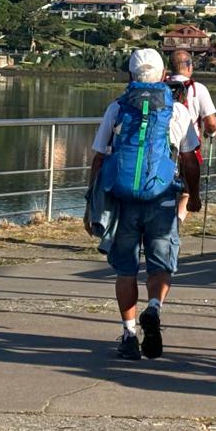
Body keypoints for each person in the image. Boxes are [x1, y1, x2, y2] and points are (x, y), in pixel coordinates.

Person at [89, 49, 201, 360]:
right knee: (161, 263)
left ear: (130, 75)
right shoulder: (176, 111)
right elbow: (190, 159)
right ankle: (153, 308)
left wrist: (92, 201)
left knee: (125, 270)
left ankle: (128, 334)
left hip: (122, 200)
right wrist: (195, 194)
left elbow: (100, 155)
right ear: (164, 75)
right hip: (162, 197)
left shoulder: (118, 107)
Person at [166, 48, 216, 221]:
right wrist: (210, 133)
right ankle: (176, 221)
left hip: (162, 145)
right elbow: (211, 122)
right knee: (187, 190)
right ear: (188, 66)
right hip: (188, 148)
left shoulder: (160, 87)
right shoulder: (198, 89)